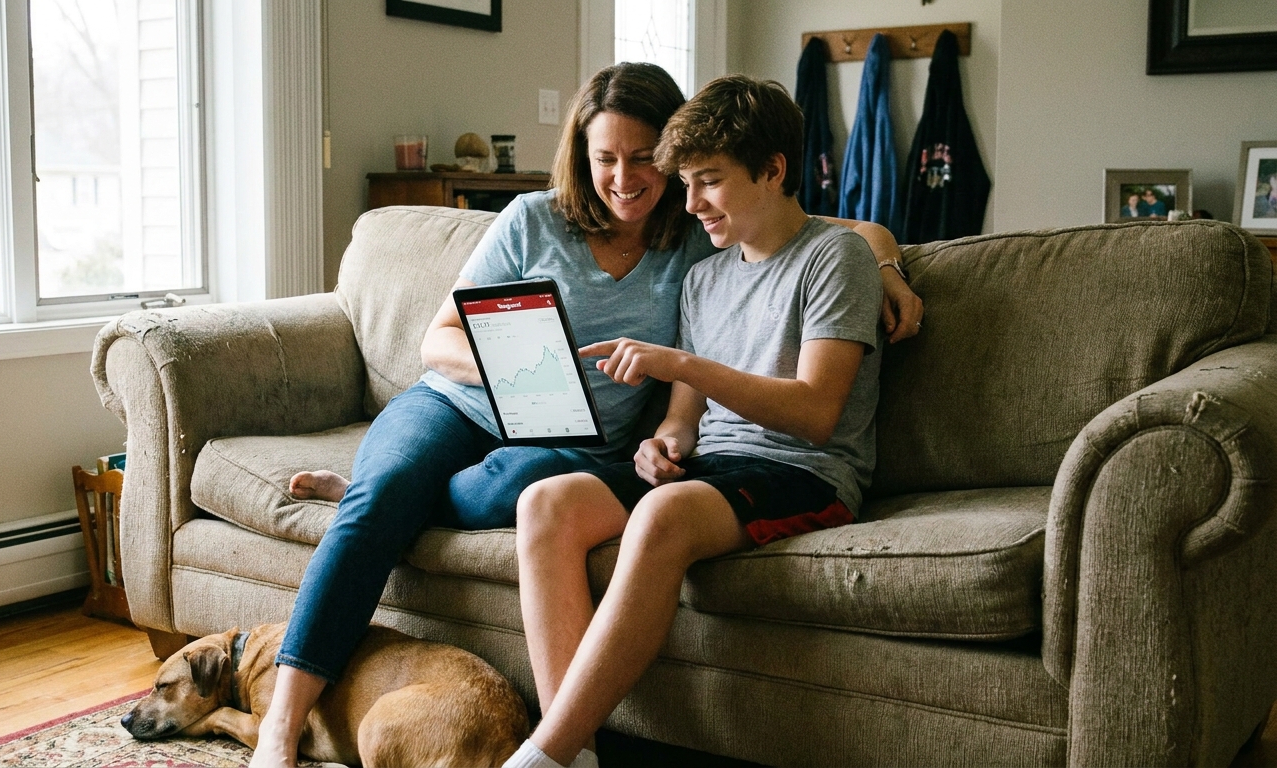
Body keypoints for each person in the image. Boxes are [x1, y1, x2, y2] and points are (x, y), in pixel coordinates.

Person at [249, 63, 923, 768]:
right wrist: (546, 378)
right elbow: (438, 342)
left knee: (506, 490)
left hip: (597, 446)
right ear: (583, 156)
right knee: (399, 494)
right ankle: (285, 721)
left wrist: (886, 264)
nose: (626, 178)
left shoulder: (700, 238)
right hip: (463, 402)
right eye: (606, 159)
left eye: (646, 160)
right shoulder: (552, 224)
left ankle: (542, 742)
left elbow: (834, 236)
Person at [505, 75, 884, 768]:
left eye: (709, 181)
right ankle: (578, 754)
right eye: (685, 183)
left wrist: (683, 363)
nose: (690, 204)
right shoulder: (706, 278)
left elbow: (815, 414)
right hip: (713, 468)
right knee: (545, 502)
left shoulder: (835, 258)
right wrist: (661, 444)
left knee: (662, 515)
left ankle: (541, 756)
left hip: (805, 471)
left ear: (773, 170)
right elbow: (685, 419)